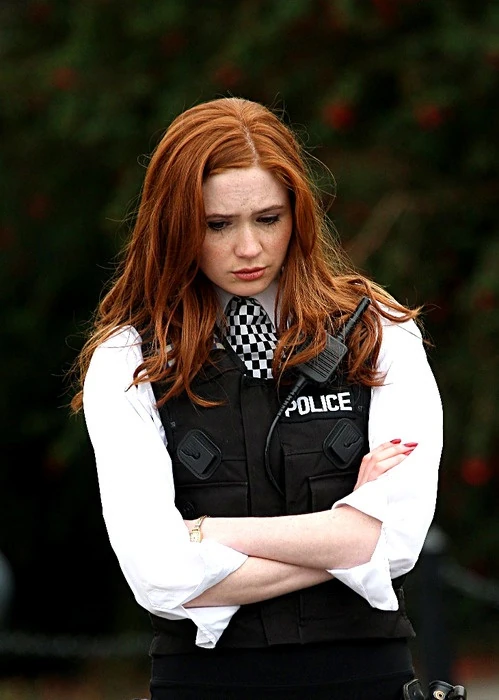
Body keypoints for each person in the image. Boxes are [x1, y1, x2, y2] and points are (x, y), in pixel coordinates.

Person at [70, 97, 442, 699]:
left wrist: (202, 533)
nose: (248, 248)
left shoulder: (379, 330)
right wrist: (343, 535)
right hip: (205, 682)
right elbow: (159, 576)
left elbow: (393, 543)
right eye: (218, 225)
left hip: (367, 676)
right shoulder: (128, 359)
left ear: (298, 215)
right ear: (175, 225)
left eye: (268, 218)